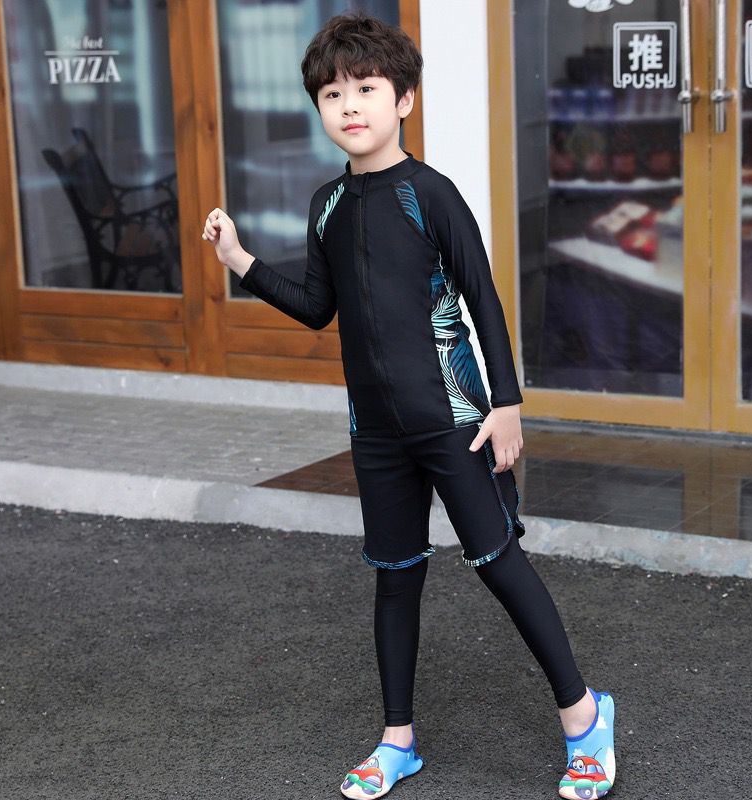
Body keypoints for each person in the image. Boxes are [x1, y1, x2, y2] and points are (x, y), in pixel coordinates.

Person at [201, 12, 616, 800]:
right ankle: (398, 740)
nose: (349, 105)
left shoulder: (432, 195)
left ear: (404, 100)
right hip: (376, 433)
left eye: (366, 88)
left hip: (456, 419)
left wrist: (506, 404)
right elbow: (317, 307)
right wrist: (240, 259)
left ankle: (585, 719)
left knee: (499, 564)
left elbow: (484, 299)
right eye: (332, 94)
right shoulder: (328, 204)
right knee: (395, 576)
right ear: (319, 108)